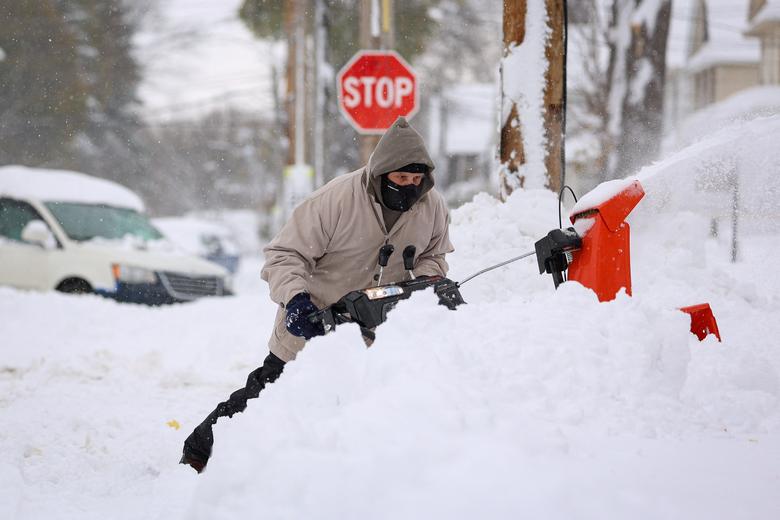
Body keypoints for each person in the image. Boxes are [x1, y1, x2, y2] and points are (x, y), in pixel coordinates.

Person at [180, 116, 453, 472]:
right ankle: (198, 452)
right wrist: (296, 300)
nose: (410, 187)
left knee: (356, 409)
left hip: (380, 335)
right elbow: (284, 254)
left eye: (417, 180)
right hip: (313, 323)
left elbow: (434, 254)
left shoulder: (432, 207)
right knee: (264, 397)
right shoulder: (335, 200)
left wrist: (430, 281)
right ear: (381, 173)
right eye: (402, 179)